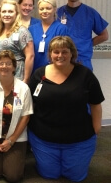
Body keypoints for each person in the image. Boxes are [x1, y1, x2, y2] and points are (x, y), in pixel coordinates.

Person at [28, 36, 104, 182]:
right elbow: (30, 103)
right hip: (44, 138)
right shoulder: (39, 74)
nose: (60, 56)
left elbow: (96, 103)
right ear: (50, 54)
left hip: (79, 138)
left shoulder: (85, 75)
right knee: (50, 174)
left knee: (75, 177)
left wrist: (97, 128)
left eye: (65, 51)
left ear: (72, 53)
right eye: (56, 52)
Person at [0, 50, 33, 182]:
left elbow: (26, 116)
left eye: (8, 63)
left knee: (13, 177)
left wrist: (11, 140)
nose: (4, 66)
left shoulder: (23, 88)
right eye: (1, 63)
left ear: (14, 67)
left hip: (15, 138)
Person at [57, 0, 109, 71]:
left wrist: (87, 44)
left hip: (83, 61)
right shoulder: (58, 13)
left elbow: (104, 36)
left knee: (84, 85)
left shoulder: (90, 13)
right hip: (62, 60)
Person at [0, 0, 34, 83]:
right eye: (4, 11)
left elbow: (30, 56)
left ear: (16, 14)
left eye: (10, 11)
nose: (7, 14)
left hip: (16, 76)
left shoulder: (22, 31)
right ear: (0, 14)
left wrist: (26, 79)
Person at [29, 0, 68, 72]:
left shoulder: (61, 29)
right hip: (34, 71)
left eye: (48, 8)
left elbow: (64, 53)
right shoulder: (32, 29)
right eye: (41, 9)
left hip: (55, 71)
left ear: (55, 9)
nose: (44, 11)